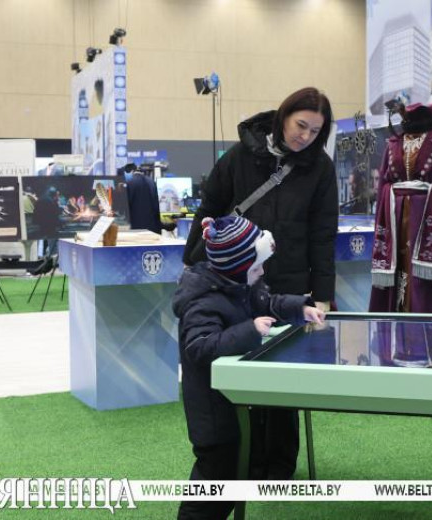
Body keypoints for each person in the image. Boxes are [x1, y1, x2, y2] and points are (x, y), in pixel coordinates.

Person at [182, 87, 338, 480]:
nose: (305, 136)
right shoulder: (240, 155)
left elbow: (323, 234)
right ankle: (246, 461)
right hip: (237, 283)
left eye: (315, 131)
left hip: (289, 283)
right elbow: (209, 206)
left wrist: (322, 295)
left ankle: (279, 466)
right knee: (243, 373)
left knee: (284, 380)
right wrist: (192, 262)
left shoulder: (320, 168)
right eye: (301, 125)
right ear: (283, 116)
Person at [172, 215, 324, 520]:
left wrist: (300, 308)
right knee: (213, 485)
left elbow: (268, 302)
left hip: (232, 405)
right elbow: (199, 346)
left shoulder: (240, 285)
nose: (262, 271)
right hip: (213, 413)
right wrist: (250, 330)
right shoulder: (203, 301)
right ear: (237, 267)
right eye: (257, 267)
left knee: (232, 477)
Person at [368, 103, 432, 313]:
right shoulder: (393, 143)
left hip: (426, 216)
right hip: (396, 219)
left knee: (423, 284)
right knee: (399, 269)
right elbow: (383, 183)